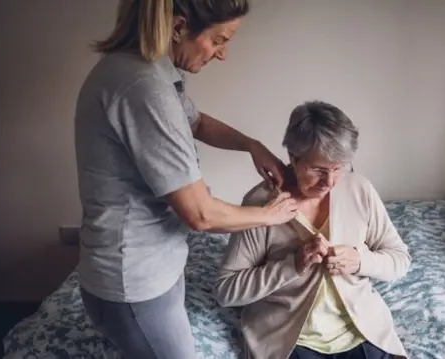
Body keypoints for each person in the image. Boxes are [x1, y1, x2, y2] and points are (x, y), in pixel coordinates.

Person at [74, 0, 298, 358]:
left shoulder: (152, 71)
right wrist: (270, 215)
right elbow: (200, 214)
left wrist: (251, 145)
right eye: (219, 39)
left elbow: (196, 123)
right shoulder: (142, 86)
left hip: (149, 266)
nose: (222, 54)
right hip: (133, 281)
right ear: (178, 27)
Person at [213, 101, 412, 359]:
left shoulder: (359, 190)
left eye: (338, 168)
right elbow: (226, 290)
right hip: (292, 340)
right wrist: (291, 266)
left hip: (360, 331)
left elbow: (400, 259)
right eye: (318, 170)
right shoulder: (262, 203)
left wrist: (360, 260)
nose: (329, 182)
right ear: (293, 159)